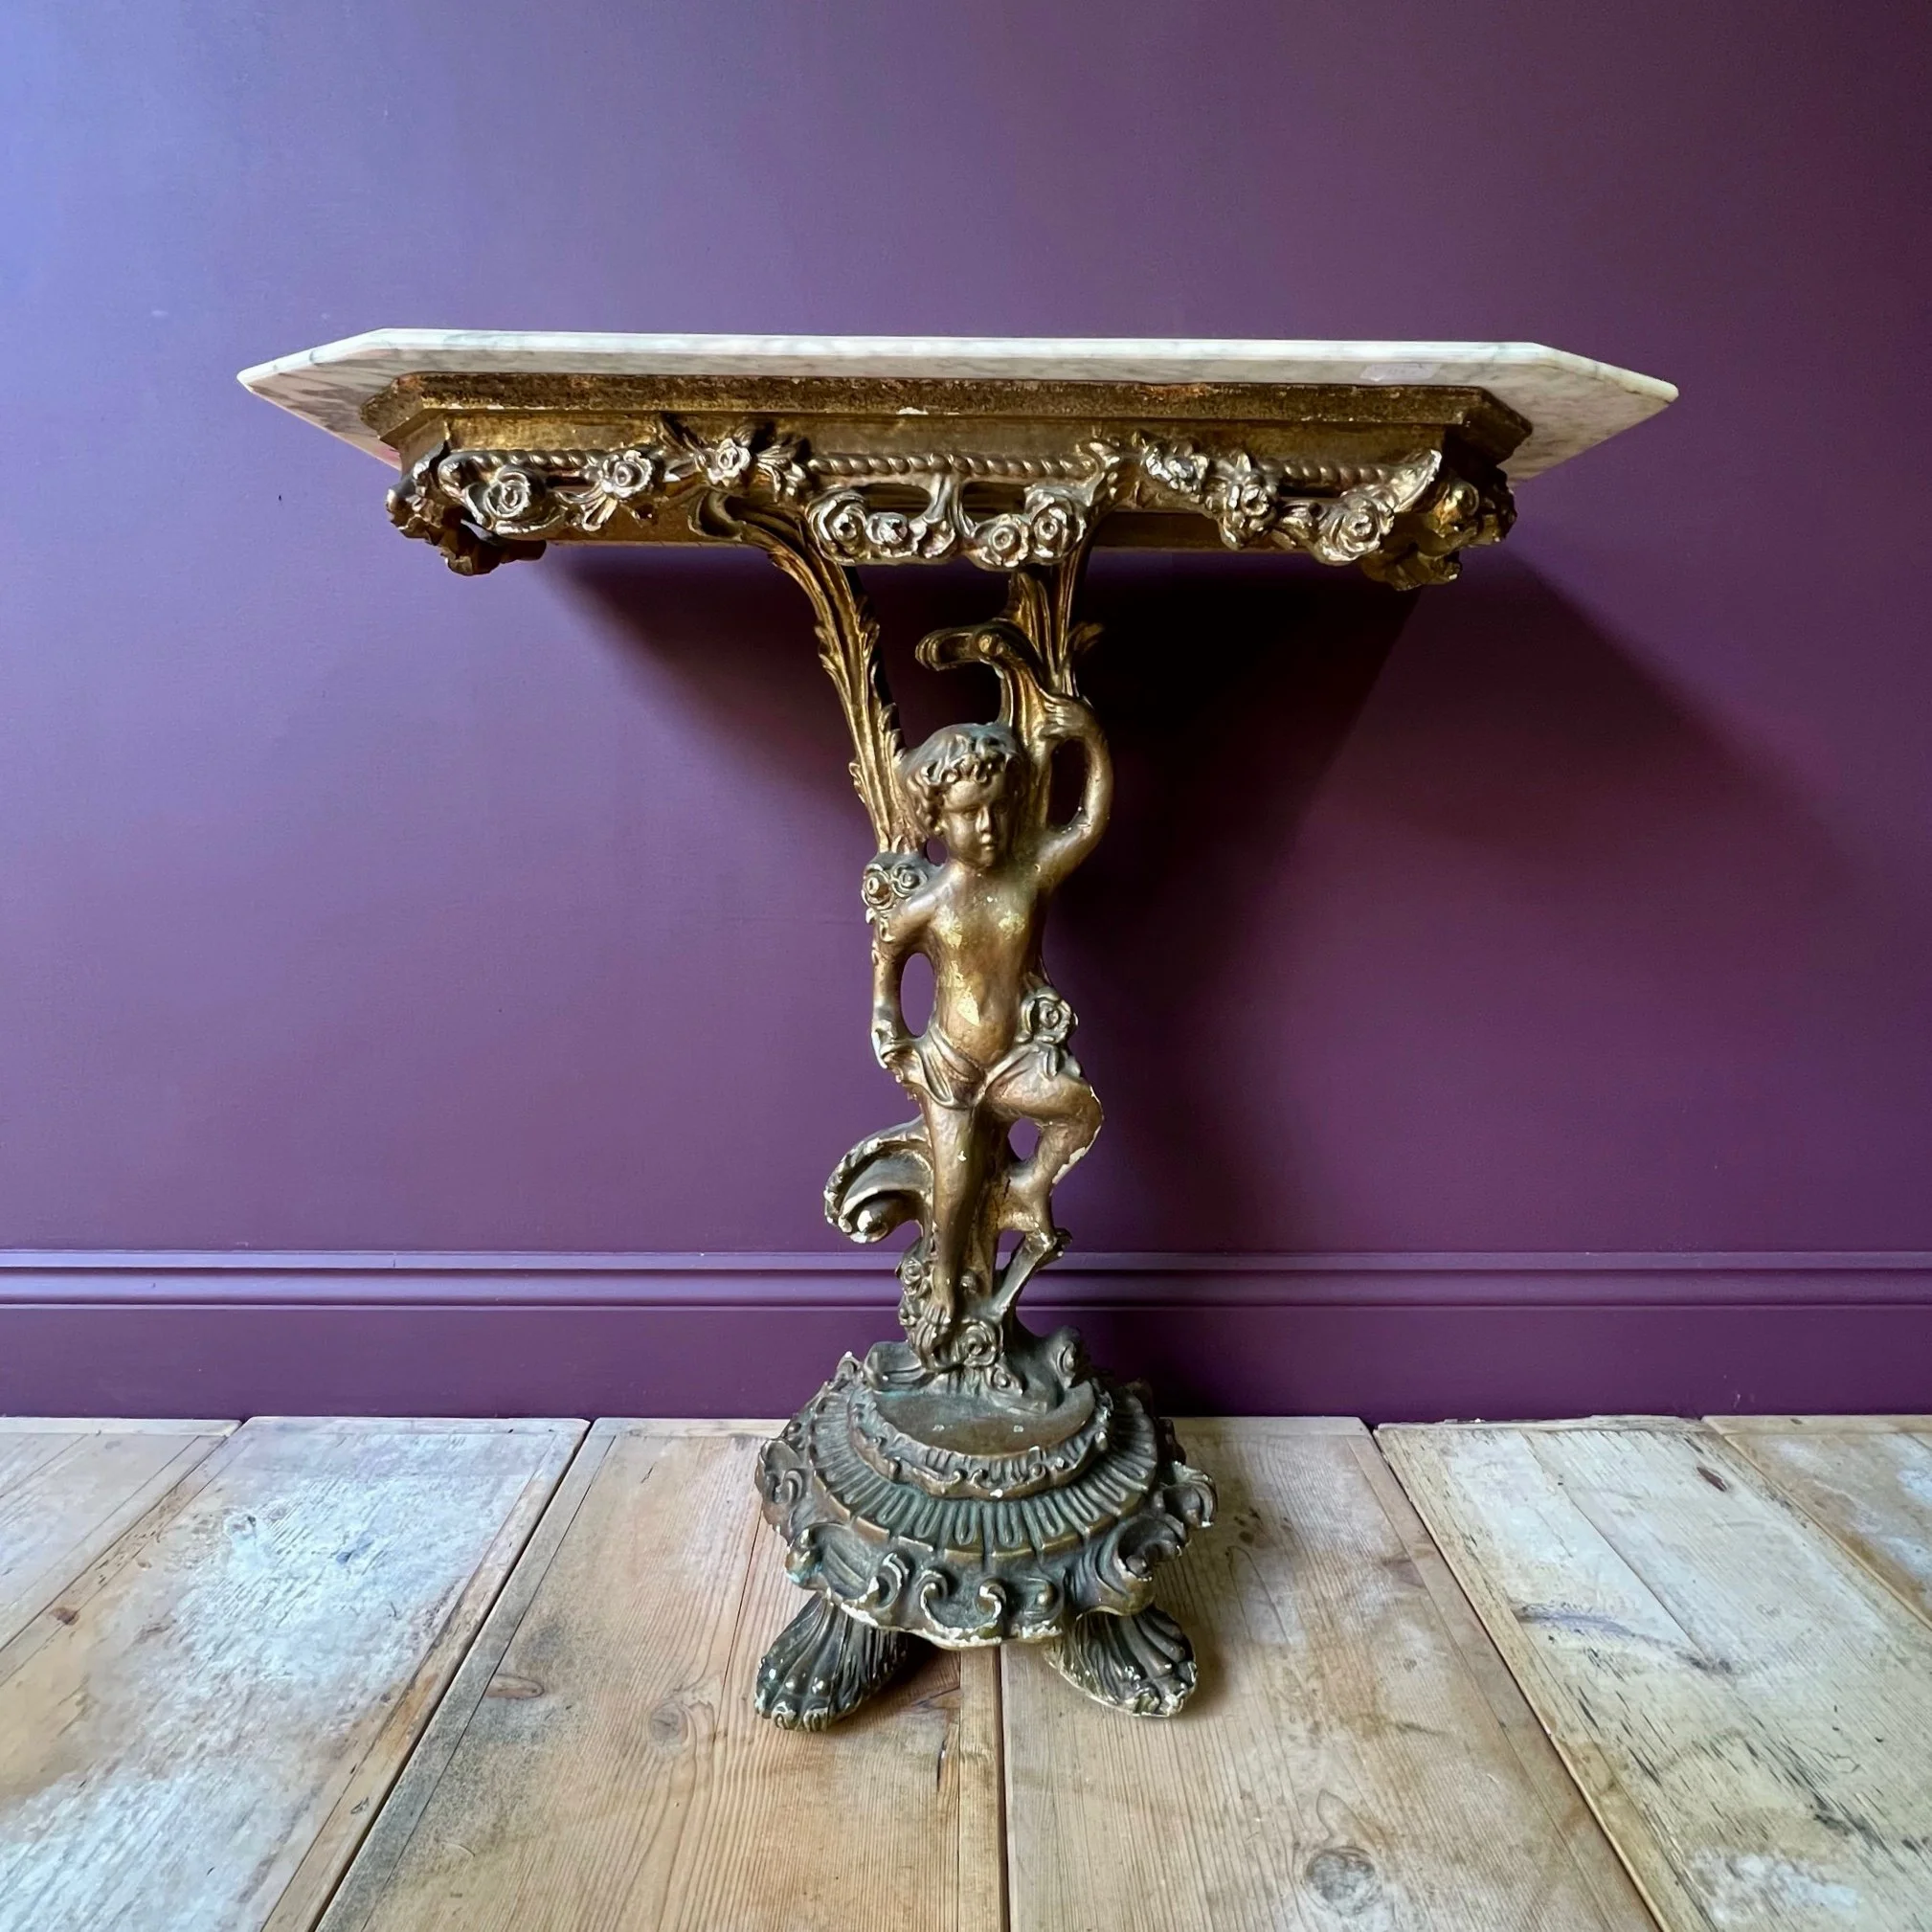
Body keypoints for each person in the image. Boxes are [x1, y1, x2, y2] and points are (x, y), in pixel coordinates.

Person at [865, 689, 1111, 1347]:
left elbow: (1087, 824)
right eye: (970, 814)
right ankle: (944, 1278)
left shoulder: (1028, 875)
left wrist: (1090, 740)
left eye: (1000, 809)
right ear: (937, 818)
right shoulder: (933, 902)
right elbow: (887, 951)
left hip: (1014, 1060)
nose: (990, 827)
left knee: (1080, 1110)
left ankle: (1028, 1189)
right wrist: (887, 1022)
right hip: (950, 1066)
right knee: (956, 1180)